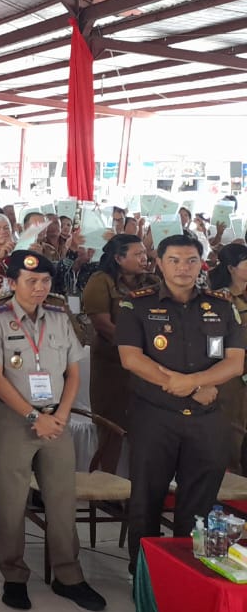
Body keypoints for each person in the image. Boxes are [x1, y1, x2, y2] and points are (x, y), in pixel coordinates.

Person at [0, 253, 105, 612]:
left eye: (45, 281)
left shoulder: (60, 318)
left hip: (56, 420)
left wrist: (60, 415)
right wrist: (34, 415)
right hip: (13, 420)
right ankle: (14, 576)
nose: (39, 288)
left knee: (62, 499)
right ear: (13, 282)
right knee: (12, 501)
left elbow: (74, 375)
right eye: (31, 281)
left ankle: (69, 575)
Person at [117, 234, 246, 568]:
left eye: (191, 260)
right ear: (158, 263)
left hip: (207, 418)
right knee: (147, 499)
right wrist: (189, 387)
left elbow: (234, 362)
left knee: (199, 502)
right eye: (173, 260)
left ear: (202, 264)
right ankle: (144, 574)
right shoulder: (137, 304)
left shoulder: (220, 305)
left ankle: (188, 573)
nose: (183, 268)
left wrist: (194, 383)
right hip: (155, 417)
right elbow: (131, 359)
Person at [80, 234, 151, 472]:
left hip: (147, 367)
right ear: (119, 258)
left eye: (144, 253)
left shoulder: (151, 281)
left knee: (144, 429)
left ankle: (139, 489)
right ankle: (107, 486)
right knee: (111, 427)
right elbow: (102, 324)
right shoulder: (101, 281)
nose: (144, 258)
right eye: (138, 254)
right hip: (112, 366)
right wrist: (136, 347)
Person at [209, 243, 247, 473]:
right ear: (232, 268)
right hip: (230, 378)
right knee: (231, 436)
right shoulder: (221, 299)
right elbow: (214, 343)